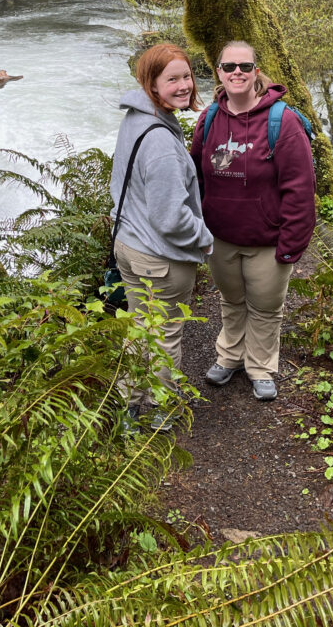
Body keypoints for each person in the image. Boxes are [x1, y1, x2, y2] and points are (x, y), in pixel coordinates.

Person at [191, 41, 316, 401]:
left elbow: (300, 189)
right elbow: (196, 175)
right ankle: (229, 356)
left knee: (264, 307)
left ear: (256, 72)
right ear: (218, 72)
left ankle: (260, 367)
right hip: (221, 237)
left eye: (245, 67)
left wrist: (292, 243)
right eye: (229, 67)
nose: (237, 73)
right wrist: (198, 224)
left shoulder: (283, 122)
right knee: (232, 300)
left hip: (266, 239)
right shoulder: (209, 118)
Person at [110, 43, 213, 428]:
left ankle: (128, 404)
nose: (184, 85)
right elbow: (170, 217)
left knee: (140, 328)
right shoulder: (161, 144)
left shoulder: (136, 119)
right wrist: (203, 238)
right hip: (159, 258)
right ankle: (160, 413)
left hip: (129, 245)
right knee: (165, 335)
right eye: (172, 79)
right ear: (151, 83)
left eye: (187, 76)